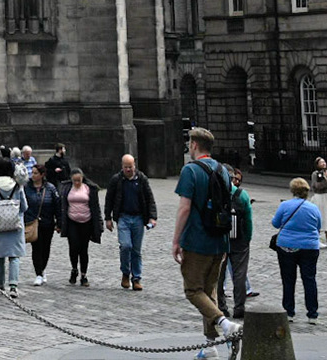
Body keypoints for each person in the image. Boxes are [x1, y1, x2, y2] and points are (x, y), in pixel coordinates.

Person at [170, 126, 241, 345]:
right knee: (209, 292)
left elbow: (184, 208)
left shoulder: (190, 171)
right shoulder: (222, 170)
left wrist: (176, 240)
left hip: (197, 241)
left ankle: (224, 323)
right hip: (220, 240)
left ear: (194, 145)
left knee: (193, 290)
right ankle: (211, 345)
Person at [272, 177, 323, 320]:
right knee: (309, 279)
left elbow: (275, 223)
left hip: (287, 245)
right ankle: (312, 312)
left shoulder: (285, 206)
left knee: (288, 279)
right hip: (309, 247)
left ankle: (289, 311)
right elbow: (318, 226)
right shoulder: (313, 208)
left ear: (292, 191)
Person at [105, 153, 157, 291]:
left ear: (135, 165)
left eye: (130, 167)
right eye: (126, 167)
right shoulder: (116, 180)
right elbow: (109, 199)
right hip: (123, 217)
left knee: (136, 250)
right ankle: (125, 273)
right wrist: (108, 218)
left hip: (139, 218)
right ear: (122, 167)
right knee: (125, 246)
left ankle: (136, 278)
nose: (128, 169)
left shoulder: (141, 179)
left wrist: (152, 217)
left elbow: (149, 198)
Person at [219, 165, 257, 318]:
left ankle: (221, 306)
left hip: (220, 239)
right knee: (239, 274)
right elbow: (248, 220)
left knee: (219, 275)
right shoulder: (242, 195)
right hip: (239, 239)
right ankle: (239, 307)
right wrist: (247, 238)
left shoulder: (215, 194)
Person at [0, 159, 26, 295]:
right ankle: (13, 285)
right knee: (14, 256)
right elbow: (24, 206)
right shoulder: (18, 185)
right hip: (15, 223)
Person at [59, 167, 101, 286]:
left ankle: (83, 275)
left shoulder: (89, 188)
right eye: (75, 181)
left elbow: (96, 208)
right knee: (73, 247)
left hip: (86, 221)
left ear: (83, 179)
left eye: (79, 180)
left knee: (84, 249)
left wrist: (99, 224)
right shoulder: (66, 188)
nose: (77, 183)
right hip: (72, 221)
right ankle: (74, 269)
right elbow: (62, 206)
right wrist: (60, 223)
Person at [21, 165, 60, 285]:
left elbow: (57, 206)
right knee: (36, 248)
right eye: (32, 173)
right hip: (32, 222)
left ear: (42, 175)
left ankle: (42, 269)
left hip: (47, 222)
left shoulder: (50, 188)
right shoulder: (27, 187)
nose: (33, 175)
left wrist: (59, 222)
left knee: (46, 248)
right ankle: (38, 273)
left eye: (36, 173)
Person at [309, 157, 327, 248]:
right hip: (319, 196)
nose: (323, 163)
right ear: (317, 164)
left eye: (324, 162)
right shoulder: (315, 174)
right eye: (321, 162)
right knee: (319, 217)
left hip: (326, 196)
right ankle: (317, 239)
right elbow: (318, 186)